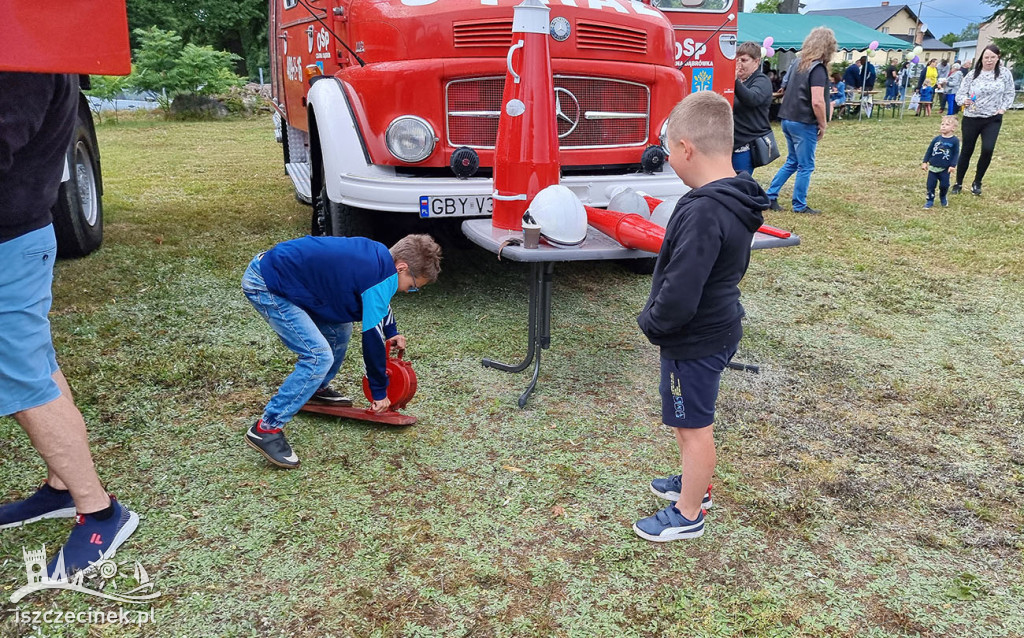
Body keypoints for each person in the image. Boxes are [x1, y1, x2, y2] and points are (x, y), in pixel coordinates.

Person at [0, 73, 139, 577]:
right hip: (17, 236)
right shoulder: (33, 47)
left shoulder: (19, 58)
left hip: (8, 241)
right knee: (33, 366)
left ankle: (100, 511)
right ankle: (63, 490)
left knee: (22, 382)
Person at [632, 90, 767, 542]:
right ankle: (695, 482)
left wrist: (652, 322)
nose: (669, 160)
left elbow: (681, 288)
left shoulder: (704, 209)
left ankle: (689, 512)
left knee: (693, 426)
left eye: (670, 151)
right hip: (716, 326)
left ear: (687, 148)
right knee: (687, 420)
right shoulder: (735, 196)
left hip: (694, 338)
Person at [242, 233, 441, 468]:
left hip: (291, 277)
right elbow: (372, 341)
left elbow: (378, 299)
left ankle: (315, 388)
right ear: (401, 268)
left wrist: (392, 331)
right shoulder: (378, 274)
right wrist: (379, 392)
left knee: (340, 331)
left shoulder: (380, 260)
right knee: (318, 356)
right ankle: (266, 428)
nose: (410, 291)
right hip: (267, 283)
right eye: (413, 285)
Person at [765, 27, 836, 215]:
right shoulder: (817, 68)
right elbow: (818, 101)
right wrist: (823, 123)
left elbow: (784, 88)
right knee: (806, 165)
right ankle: (799, 204)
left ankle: (770, 195)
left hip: (788, 118)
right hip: (804, 122)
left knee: (792, 161)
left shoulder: (797, 63)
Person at [953, 44, 1016, 196]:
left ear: (998, 58)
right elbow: (960, 95)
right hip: (972, 118)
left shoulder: (1004, 74)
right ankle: (958, 182)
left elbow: (1009, 93)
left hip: (992, 118)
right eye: (986, 57)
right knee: (967, 150)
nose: (989, 60)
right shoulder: (973, 74)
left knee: (988, 149)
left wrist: (1002, 109)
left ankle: (977, 181)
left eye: (992, 57)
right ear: (981, 58)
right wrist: (964, 100)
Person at [732, 41, 774, 175]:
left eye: (744, 60)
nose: (739, 64)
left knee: (740, 185)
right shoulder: (740, 81)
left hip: (746, 145)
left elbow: (752, 99)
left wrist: (735, 82)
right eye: (737, 60)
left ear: (756, 62)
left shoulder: (762, 81)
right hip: (731, 143)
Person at [920, 115, 960, 209]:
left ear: (953, 128)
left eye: (947, 124)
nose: (943, 126)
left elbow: (956, 154)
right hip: (933, 167)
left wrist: (953, 165)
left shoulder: (954, 141)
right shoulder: (936, 139)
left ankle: (943, 197)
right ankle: (930, 200)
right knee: (930, 185)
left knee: (944, 185)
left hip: (945, 169)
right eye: (942, 124)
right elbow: (929, 150)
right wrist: (925, 162)